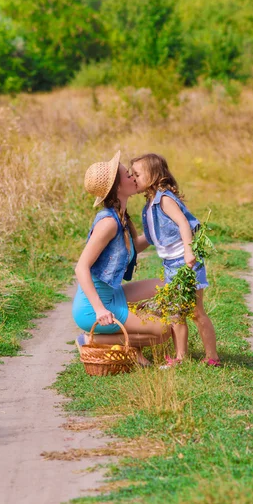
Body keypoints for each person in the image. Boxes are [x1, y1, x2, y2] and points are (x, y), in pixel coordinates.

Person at [73, 150, 171, 366]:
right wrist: (100, 309)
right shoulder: (107, 223)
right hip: (93, 307)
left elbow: (130, 248)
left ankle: (127, 338)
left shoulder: (121, 217)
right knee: (163, 331)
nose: (133, 178)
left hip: (113, 293)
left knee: (165, 287)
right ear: (117, 187)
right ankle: (92, 339)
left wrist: (159, 233)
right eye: (128, 175)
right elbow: (81, 267)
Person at [131, 153, 221, 367]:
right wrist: (130, 253)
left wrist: (189, 252)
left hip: (186, 262)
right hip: (170, 266)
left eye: (137, 174)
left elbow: (183, 223)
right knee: (175, 314)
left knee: (196, 312)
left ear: (153, 176)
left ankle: (212, 357)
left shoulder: (164, 199)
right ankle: (180, 358)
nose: (133, 178)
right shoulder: (148, 208)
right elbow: (151, 239)